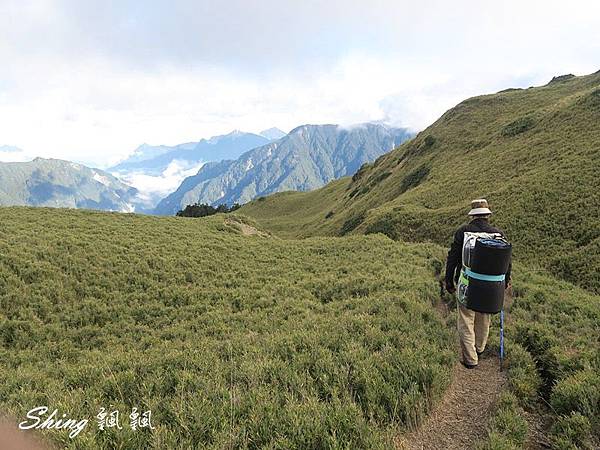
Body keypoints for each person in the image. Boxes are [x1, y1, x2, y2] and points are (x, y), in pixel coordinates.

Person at [444, 199, 511, 369]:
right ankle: (479, 349)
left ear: (472, 215)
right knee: (484, 318)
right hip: (490, 287)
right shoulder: (498, 234)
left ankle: (471, 359)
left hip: (466, 283)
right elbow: (506, 262)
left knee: (466, 321)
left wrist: (449, 281)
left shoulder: (463, 232)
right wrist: (506, 281)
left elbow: (452, 258)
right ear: (487, 215)